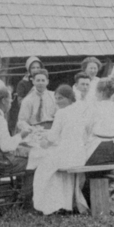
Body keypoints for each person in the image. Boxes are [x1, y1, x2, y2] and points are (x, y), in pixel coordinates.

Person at [32, 87, 92, 215]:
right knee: (54, 170)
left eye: (61, 98)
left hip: (68, 153)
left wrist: (44, 139)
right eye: (56, 98)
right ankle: (63, 203)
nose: (58, 101)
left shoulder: (62, 113)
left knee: (42, 168)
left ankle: (49, 205)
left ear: (70, 98)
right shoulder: (80, 110)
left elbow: (53, 137)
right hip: (80, 153)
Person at [0, 87, 33, 175]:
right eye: (11, 99)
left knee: (26, 152)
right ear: (4, 101)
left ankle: (21, 187)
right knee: (36, 160)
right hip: (2, 165)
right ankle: (27, 188)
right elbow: (6, 147)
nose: (11, 103)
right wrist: (21, 135)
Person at [84, 79, 114, 167]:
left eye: (96, 91)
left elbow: (87, 128)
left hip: (100, 148)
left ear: (101, 92)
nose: (95, 93)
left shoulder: (94, 107)